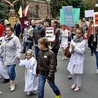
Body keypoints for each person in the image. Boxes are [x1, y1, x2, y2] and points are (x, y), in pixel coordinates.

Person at [0, 25, 21, 92]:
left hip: (13, 57)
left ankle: (12, 84)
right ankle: (14, 81)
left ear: (11, 31)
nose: (7, 32)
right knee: (12, 71)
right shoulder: (4, 39)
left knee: (9, 71)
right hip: (5, 58)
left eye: (9, 30)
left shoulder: (15, 38)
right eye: (6, 30)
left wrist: (18, 54)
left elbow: (18, 48)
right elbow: (2, 48)